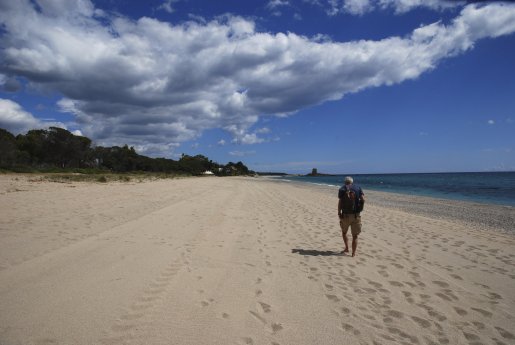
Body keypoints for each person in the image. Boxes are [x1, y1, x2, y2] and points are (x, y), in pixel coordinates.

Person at [338, 176, 364, 257]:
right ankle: (353, 253)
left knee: (344, 232)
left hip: (345, 215)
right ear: (352, 182)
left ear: (345, 182)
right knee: (355, 236)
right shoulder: (358, 188)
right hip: (356, 215)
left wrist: (339, 212)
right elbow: (363, 199)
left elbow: (340, 202)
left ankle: (346, 248)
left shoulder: (342, 189)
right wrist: (360, 208)